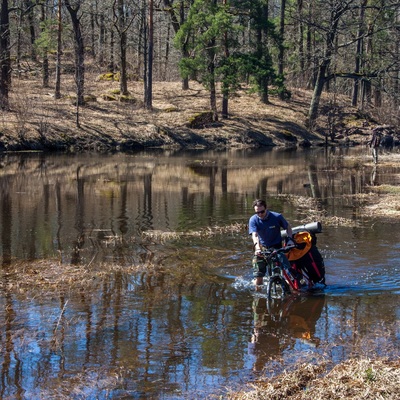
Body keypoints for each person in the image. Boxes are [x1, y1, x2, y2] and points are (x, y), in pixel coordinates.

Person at [248, 199, 294, 288]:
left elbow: (288, 227)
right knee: (258, 275)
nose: (260, 214)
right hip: (262, 248)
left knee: (281, 273)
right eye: (257, 212)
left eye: (262, 211)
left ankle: (290, 290)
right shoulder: (253, 220)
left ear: (266, 208)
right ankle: (257, 296)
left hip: (276, 247)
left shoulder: (277, 217)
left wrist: (289, 239)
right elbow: (255, 235)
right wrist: (257, 248)